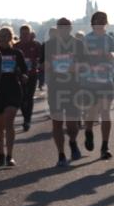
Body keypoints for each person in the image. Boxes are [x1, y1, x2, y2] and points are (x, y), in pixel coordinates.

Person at [44, 18, 87, 166]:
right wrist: (47, 65)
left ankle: (73, 142)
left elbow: (85, 65)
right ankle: (61, 154)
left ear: (70, 28)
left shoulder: (78, 44)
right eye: (60, 27)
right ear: (57, 29)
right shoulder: (49, 45)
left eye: (66, 27)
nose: (63, 30)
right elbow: (41, 64)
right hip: (55, 88)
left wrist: (76, 67)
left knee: (72, 125)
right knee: (57, 123)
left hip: (73, 87)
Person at [0, 26, 28, 166]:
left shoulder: (17, 53)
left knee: (9, 121)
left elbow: (25, 71)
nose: (4, 38)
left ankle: (10, 155)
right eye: (1, 36)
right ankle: (1, 153)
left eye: (7, 36)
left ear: (11, 37)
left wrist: (23, 75)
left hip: (12, 89)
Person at [81, 11, 113, 159]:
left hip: (107, 81)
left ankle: (105, 147)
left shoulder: (110, 39)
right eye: (98, 20)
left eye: (103, 20)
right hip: (90, 81)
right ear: (93, 23)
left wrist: (110, 56)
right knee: (92, 111)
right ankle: (88, 131)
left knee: (105, 112)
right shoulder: (87, 40)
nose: (100, 22)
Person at [14, 24, 44, 131]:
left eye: (27, 34)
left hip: (32, 75)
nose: (25, 36)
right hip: (20, 76)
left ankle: (27, 120)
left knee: (29, 97)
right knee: (22, 98)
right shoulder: (16, 46)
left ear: (30, 34)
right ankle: (26, 117)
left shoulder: (36, 45)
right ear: (20, 34)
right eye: (23, 34)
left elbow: (42, 58)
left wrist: (39, 64)